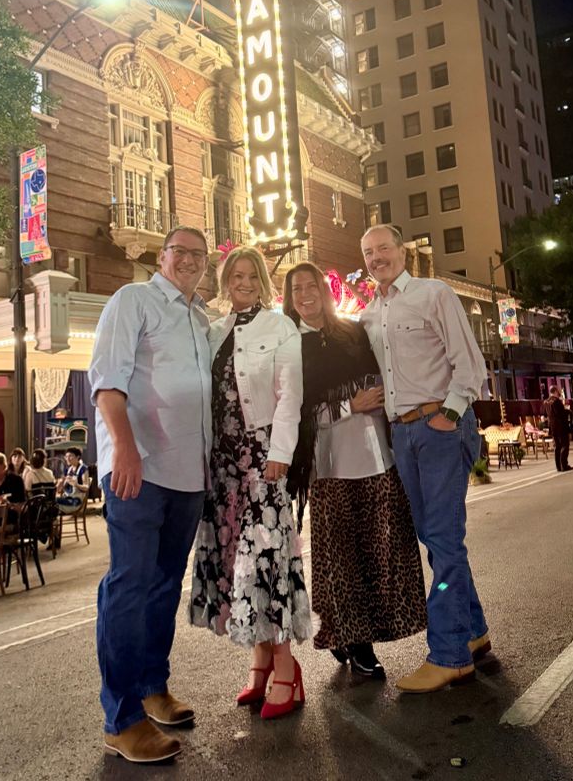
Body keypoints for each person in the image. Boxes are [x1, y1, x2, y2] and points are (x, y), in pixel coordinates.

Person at [89, 226, 213, 765]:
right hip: (139, 469)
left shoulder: (201, 318)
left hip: (190, 473)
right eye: (179, 251)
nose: (189, 260)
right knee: (130, 584)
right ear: (162, 257)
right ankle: (121, 720)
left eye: (198, 254)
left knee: (164, 585)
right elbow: (106, 381)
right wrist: (125, 448)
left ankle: (151, 687)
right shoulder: (133, 299)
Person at [360, 225, 489, 693]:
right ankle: (473, 632)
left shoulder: (434, 294)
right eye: (369, 252)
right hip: (403, 433)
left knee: (444, 538)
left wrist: (449, 415)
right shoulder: (369, 314)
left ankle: (450, 655)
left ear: (403, 251)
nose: (377, 257)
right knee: (434, 538)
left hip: (439, 426)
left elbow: (469, 363)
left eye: (384, 248)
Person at [283, 262, 427, 680]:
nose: (305, 294)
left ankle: (366, 632)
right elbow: (293, 412)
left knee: (382, 553)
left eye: (312, 285)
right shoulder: (289, 345)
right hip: (329, 468)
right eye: (296, 289)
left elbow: (386, 380)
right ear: (289, 298)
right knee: (340, 561)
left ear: (325, 290)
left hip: (377, 458)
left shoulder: (354, 332)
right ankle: (354, 640)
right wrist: (349, 405)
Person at [189, 246, 310, 719]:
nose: (243, 282)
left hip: (262, 458)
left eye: (251, 275)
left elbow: (290, 395)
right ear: (225, 281)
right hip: (222, 466)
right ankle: (260, 663)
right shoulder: (214, 331)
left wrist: (280, 453)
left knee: (267, 561)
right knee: (238, 567)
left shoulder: (280, 327)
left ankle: (286, 669)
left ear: (262, 281)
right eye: (235, 275)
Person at [543, 386, 573, 472]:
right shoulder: (556, 401)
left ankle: (558, 466)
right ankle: (564, 465)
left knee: (557, 446)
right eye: (558, 391)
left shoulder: (546, 402)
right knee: (565, 445)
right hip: (561, 426)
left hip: (552, 427)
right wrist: (567, 411)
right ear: (556, 391)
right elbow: (560, 414)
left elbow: (546, 415)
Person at [55, 447, 90, 513]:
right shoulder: (68, 470)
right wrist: (60, 484)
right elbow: (59, 490)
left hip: (76, 501)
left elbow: (86, 487)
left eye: (70, 456)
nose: (67, 459)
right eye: (66, 456)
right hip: (67, 498)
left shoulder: (83, 469)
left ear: (78, 457)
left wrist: (76, 485)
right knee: (50, 502)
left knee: (52, 503)